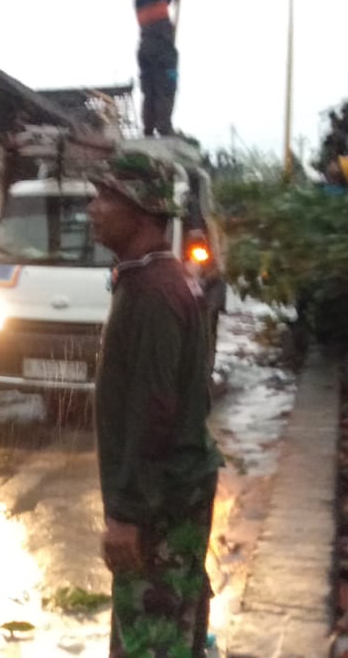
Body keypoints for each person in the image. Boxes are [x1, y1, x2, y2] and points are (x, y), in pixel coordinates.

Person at [85, 152, 222, 657]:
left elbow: (153, 410)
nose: (92, 207)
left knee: (152, 640)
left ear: (141, 212)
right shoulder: (147, 279)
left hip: (161, 500)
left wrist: (127, 515)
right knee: (163, 632)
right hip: (172, 492)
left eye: (105, 197)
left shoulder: (154, 294)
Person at [122, 0, 189, 138]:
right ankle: (164, 128)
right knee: (166, 86)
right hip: (161, 46)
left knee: (150, 90)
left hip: (145, 48)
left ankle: (149, 130)